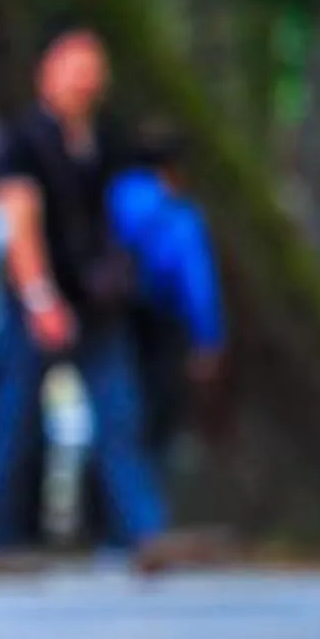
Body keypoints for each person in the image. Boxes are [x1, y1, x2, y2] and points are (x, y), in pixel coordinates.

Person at [0, 19, 195, 568]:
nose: (83, 83)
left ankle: (144, 533)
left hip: (98, 305)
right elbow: (18, 222)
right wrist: (41, 298)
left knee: (119, 418)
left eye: (92, 72)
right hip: (39, 303)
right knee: (15, 421)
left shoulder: (107, 142)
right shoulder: (24, 144)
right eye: (73, 69)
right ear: (46, 73)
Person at [107, 126, 225, 467]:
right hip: (159, 325)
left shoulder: (112, 197)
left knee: (115, 416)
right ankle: (143, 508)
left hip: (109, 322)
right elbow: (197, 283)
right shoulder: (177, 214)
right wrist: (208, 341)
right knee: (155, 422)